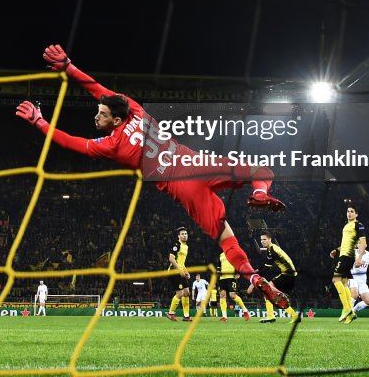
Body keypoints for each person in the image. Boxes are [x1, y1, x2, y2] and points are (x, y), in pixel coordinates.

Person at [15, 44, 290, 311]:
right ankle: (259, 194)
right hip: (194, 161)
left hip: (182, 187)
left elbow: (71, 142)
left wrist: (40, 122)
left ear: (114, 120)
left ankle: (253, 276)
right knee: (260, 171)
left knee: (226, 240)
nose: (96, 116)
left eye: (101, 114)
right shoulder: (135, 110)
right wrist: (69, 68)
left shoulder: (113, 146)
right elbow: (97, 90)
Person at [249, 232, 300, 323]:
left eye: (264, 239)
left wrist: (253, 281)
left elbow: (267, 268)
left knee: (267, 289)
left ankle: (272, 316)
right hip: (289, 274)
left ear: (269, 239)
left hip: (288, 274)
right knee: (269, 293)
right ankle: (277, 316)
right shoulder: (270, 249)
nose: (262, 241)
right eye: (261, 239)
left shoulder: (273, 249)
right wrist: (257, 270)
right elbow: (265, 264)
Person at [330, 204, 366, 324]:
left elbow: (363, 243)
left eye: (352, 211)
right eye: (348, 211)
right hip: (343, 254)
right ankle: (350, 313)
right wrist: (337, 250)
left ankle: (347, 309)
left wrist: (360, 257)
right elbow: (347, 242)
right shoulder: (347, 226)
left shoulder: (358, 225)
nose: (349, 213)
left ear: (356, 214)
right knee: (344, 283)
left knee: (335, 280)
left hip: (347, 256)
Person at [215, 251, 251, 321]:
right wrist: (218, 271)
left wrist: (237, 272)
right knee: (222, 295)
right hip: (222, 277)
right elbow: (219, 265)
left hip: (231, 277)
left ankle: (245, 310)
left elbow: (238, 263)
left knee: (232, 295)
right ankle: (224, 316)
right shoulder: (221, 254)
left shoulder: (233, 253)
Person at [166, 226, 192, 321]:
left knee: (187, 293)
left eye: (186, 234)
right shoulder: (176, 245)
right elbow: (171, 259)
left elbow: (182, 262)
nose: (185, 236)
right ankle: (171, 313)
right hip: (174, 271)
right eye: (182, 234)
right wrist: (180, 271)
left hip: (181, 271)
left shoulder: (186, 247)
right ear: (178, 236)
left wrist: (186, 271)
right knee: (180, 293)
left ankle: (186, 316)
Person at [348, 248, 369, 317]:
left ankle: (352, 311)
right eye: (359, 243)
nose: (360, 245)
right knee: (354, 295)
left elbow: (359, 264)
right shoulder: (353, 252)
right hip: (352, 277)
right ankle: (347, 313)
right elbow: (356, 264)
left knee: (368, 301)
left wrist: (359, 262)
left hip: (362, 281)